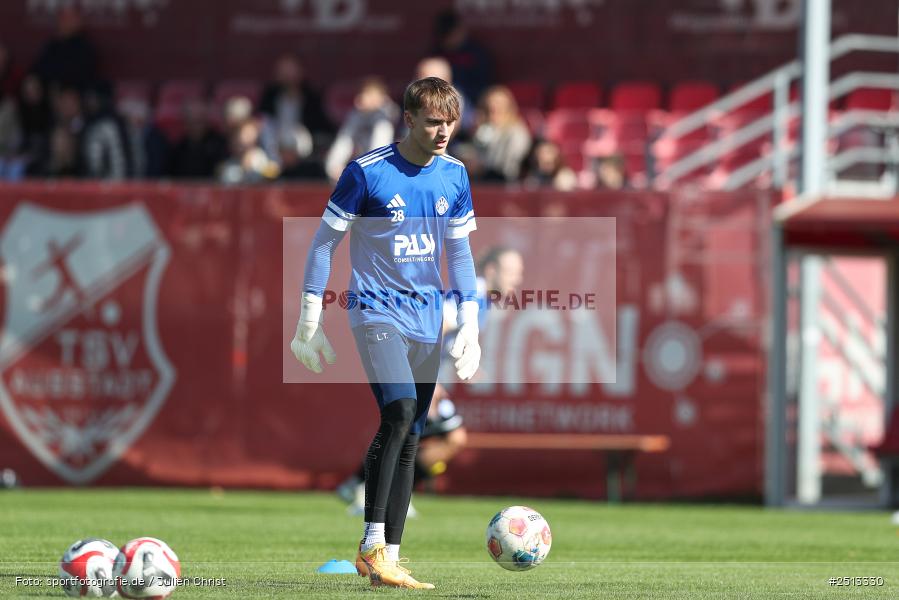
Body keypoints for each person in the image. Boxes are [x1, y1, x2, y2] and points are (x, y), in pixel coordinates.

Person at [290, 77, 479, 590]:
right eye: (434, 121)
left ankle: (388, 558)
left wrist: (471, 323)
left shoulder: (455, 175)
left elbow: (459, 254)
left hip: (426, 320)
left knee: (413, 434)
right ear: (409, 119)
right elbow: (324, 244)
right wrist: (309, 317)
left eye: (451, 122)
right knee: (397, 412)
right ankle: (371, 544)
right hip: (375, 312)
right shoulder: (367, 172)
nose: (443, 132)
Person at [336, 245, 524, 515]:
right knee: (445, 436)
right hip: (415, 370)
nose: (517, 279)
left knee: (414, 431)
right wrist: (429, 379)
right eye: (512, 272)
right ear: (492, 270)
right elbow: (433, 327)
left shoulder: (482, 299)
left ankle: (363, 486)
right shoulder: (474, 294)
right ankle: (374, 493)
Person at [324, 77, 398, 183]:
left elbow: (379, 153)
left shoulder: (386, 118)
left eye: (370, 95)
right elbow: (343, 142)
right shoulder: (355, 116)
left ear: (381, 98)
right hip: (361, 172)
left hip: (385, 176)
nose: (361, 99)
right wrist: (334, 167)